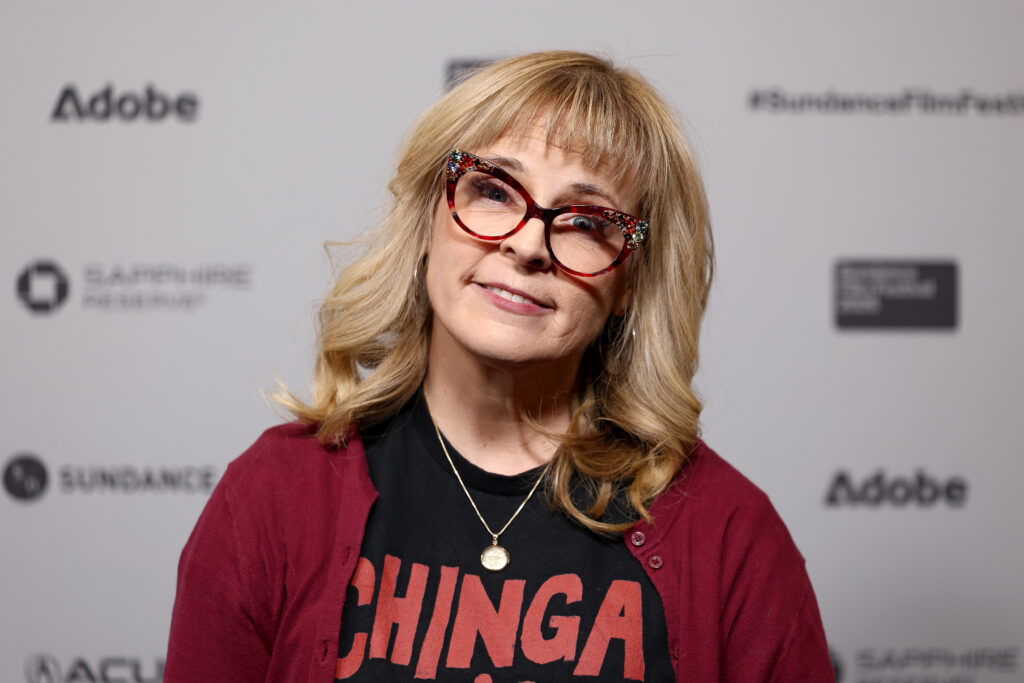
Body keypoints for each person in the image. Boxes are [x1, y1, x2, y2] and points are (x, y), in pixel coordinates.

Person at [165, 51, 834, 682]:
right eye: (493, 189)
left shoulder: (730, 533)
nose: (528, 244)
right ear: (428, 217)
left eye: (585, 221)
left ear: (632, 281)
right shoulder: (274, 496)